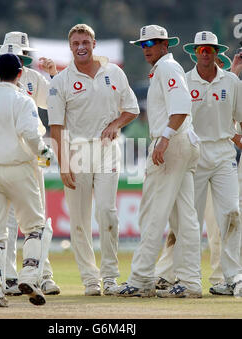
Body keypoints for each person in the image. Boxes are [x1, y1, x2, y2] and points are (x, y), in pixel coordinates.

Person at [48, 23, 140, 296]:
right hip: (76, 152)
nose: (81, 47)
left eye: (85, 42)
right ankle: (90, 279)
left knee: (107, 213)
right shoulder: (60, 81)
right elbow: (56, 127)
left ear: (94, 44)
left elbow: (132, 109)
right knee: (79, 220)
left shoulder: (114, 73)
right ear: (70, 47)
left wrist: (116, 123)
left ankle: (110, 277)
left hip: (107, 149)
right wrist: (63, 164)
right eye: (76, 43)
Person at [115, 24, 202, 298]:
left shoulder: (167, 68)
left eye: (152, 43)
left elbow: (181, 108)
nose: (147, 48)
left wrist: (163, 138)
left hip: (172, 143)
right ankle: (190, 282)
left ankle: (141, 280)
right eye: (143, 44)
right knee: (184, 218)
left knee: (153, 213)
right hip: (181, 142)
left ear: (165, 44)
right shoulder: (164, 69)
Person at [154, 31, 242, 297]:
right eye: (201, 49)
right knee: (188, 221)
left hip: (224, 154)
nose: (205, 53)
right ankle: (177, 276)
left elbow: (239, 120)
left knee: (231, 214)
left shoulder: (232, 81)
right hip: (195, 155)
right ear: (194, 52)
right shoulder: (184, 80)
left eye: (210, 49)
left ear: (217, 52)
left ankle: (233, 277)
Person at [0, 31, 60, 296]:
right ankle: (25, 275)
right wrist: (46, 154)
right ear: (18, 71)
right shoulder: (19, 96)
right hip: (22, 165)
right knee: (35, 225)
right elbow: (31, 133)